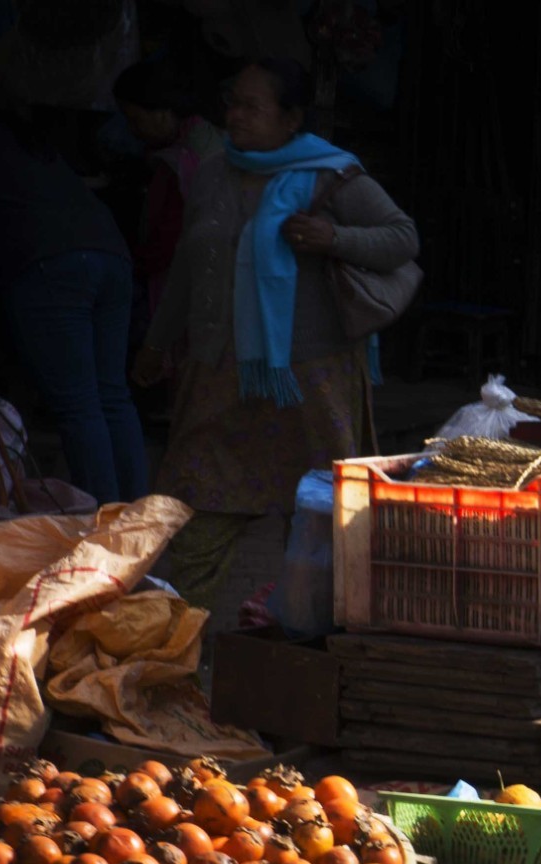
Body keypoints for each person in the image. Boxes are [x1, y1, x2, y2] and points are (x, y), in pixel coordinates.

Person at [135, 57, 419, 611]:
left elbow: (402, 238)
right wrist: (156, 342)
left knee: (315, 519)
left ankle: (301, 640)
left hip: (309, 382)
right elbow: (188, 270)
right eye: (232, 102)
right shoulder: (214, 172)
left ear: (291, 119)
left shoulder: (332, 175)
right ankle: (182, 652)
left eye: (251, 105)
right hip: (221, 376)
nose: (234, 115)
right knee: (198, 510)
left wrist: (333, 237)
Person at [0, 86, 148, 503]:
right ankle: (133, 522)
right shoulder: (5, 128)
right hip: (109, 250)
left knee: (81, 407)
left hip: (48, 261)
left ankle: (106, 534)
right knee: (111, 397)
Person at [113, 59, 224, 320]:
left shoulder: (182, 162)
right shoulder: (209, 137)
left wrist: (133, 265)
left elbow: (168, 240)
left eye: (135, 120)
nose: (133, 130)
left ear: (162, 113)